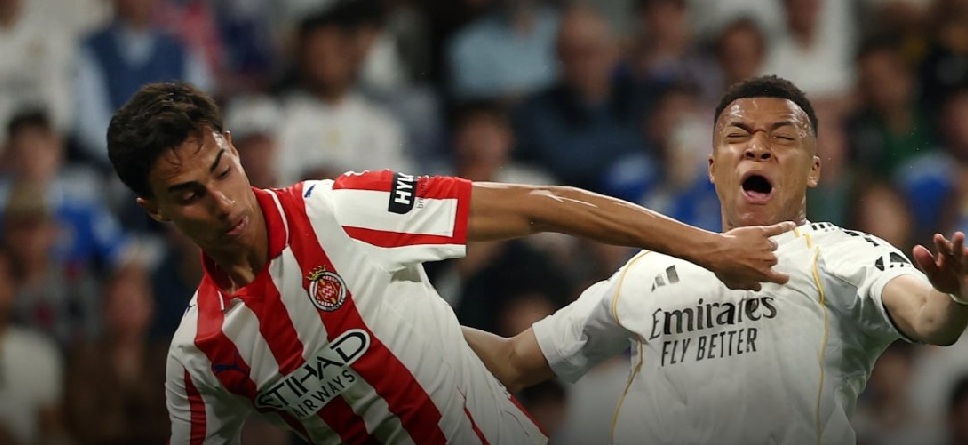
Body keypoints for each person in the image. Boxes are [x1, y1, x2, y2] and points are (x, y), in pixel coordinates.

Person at [105, 82, 792, 444]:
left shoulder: (343, 210)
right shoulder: (202, 351)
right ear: (154, 208)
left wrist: (707, 247)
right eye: (190, 195)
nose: (222, 200)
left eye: (223, 168)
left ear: (232, 144)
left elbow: (540, 205)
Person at [463, 75, 968, 445]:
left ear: (814, 170)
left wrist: (957, 297)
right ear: (714, 167)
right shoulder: (646, 272)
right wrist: (395, 308)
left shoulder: (844, 253)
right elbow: (511, 362)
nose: (758, 147)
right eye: (738, 137)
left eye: (783, 138)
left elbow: (929, 319)